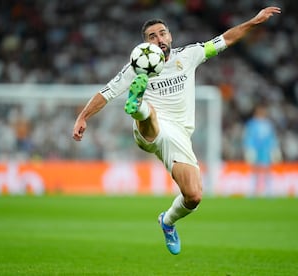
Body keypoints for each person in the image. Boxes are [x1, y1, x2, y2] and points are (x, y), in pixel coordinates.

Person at [72, 7, 281, 255]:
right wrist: (83, 116)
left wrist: (254, 22)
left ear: (170, 36)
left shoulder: (190, 55)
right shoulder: (136, 66)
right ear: (145, 43)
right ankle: (137, 106)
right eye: (152, 36)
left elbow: (225, 39)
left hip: (179, 135)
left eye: (162, 33)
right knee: (149, 113)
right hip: (150, 129)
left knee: (193, 196)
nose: (159, 39)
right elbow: (105, 93)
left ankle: (167, 221)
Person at [242, 101, 282, 196]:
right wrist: (249, 149)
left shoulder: (268, 124)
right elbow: (248, 137)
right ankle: (253, 191)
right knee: (255, 171)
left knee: (267, 170)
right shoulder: (252, 124)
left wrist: (274, 149)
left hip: (266, 151)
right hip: (256, 150)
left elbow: (272, 138)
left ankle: (269, 191)